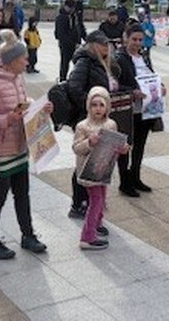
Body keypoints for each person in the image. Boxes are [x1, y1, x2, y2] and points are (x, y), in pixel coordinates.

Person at [0, 32, 51, 260]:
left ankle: (28, 235)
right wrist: (5, 120)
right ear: (11, 61)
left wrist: (37, 108)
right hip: (0, 152)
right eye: (23, 58)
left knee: (23, 194)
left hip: (20, 146)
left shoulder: (17, 78)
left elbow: (22, 103)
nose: (27, 61)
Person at [65, 30, 118, 219]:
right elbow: (74, 87)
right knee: (83, 163)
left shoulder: (102, 62)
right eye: (103, 44)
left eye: (108, 44)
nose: (107, 47)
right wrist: (91, 107)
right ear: (94, 45)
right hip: (87, 121)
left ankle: (92, 202)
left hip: (100, 119)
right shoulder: (85, 61)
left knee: (95, 162)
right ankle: (78, 203)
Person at [73, 87, 127, 250]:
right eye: (94, 104)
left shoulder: (111, 124)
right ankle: (87, 237)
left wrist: (122, 148)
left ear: (107, 107)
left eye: (101, 105)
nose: (98, 108)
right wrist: (90, 142)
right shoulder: (83, 126)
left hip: (104, 169)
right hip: (88, 171)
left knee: (102, 198)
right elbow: (76, 148)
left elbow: (114, 145)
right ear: (88, 106)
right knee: (95, 200)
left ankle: (97, 223)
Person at [114, 24, 163, 195]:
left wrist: (160, 86)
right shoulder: (119, 58)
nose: (137, 43)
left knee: (140, 145)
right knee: (126, 145)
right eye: (134, 39)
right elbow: (113, 85)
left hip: (146, 109)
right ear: (126, 38)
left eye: (140, 40)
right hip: (128, 110)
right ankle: (124, 181)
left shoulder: (144, 57)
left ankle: (135, 176)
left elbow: (151, 76)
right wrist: (131, 91)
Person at [55, 0, 81, 82]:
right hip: (65, 45)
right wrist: (71, 43)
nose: (72, 10)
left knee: (78, 62)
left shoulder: (74, 16)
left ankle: (77, 78)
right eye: (70, 8)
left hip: (75, 44)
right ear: (65, 6)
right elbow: (60, 34)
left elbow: (78, 29)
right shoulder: (61, 18)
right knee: (65, 63)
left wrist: (79, 41)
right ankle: (63, 79)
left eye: (73, 8)